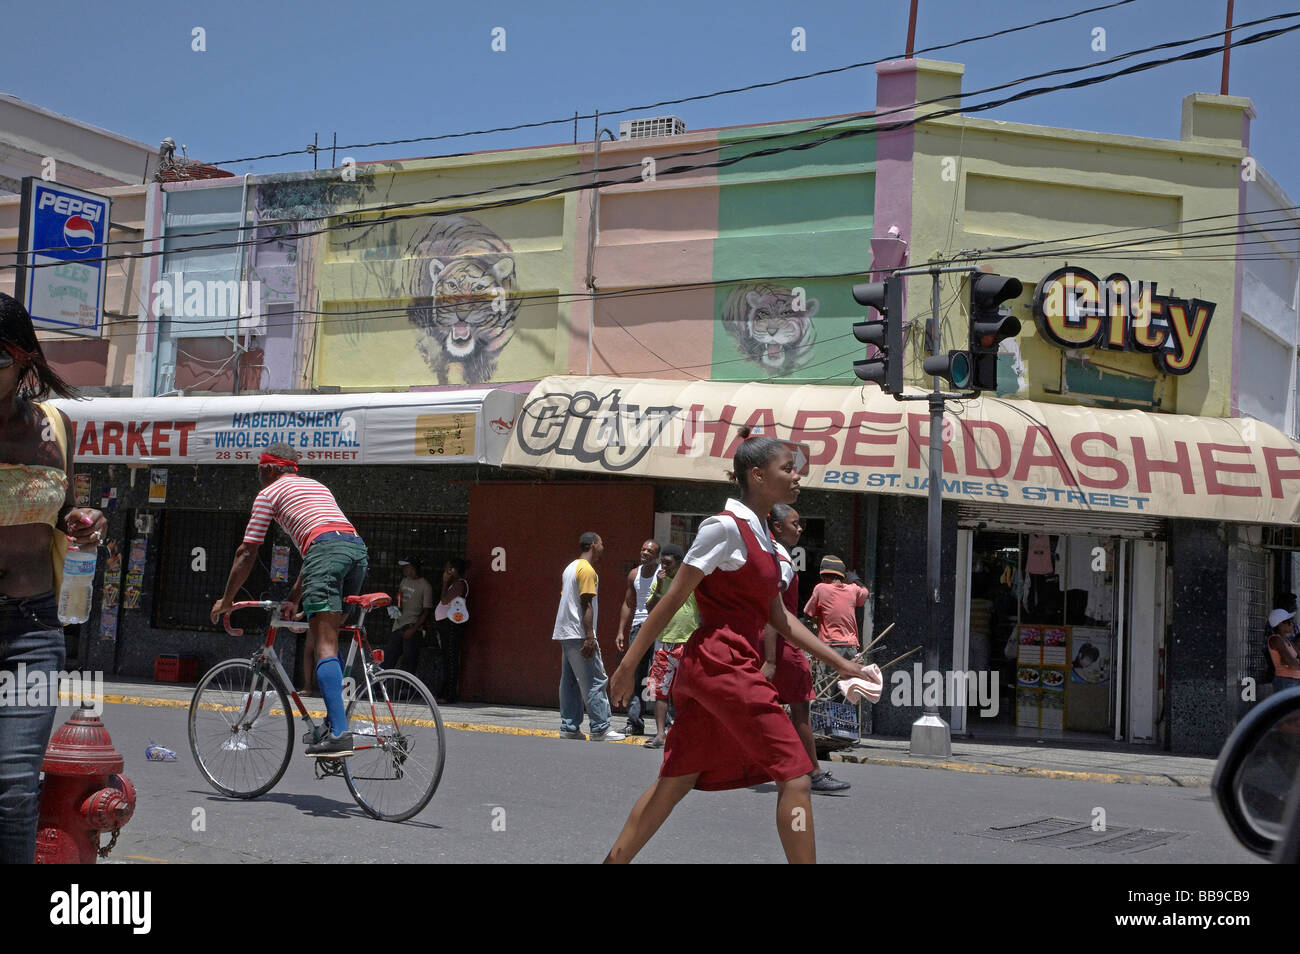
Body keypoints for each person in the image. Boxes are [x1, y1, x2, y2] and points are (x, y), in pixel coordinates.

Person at [605, 431, 873, 864]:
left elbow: (781, 619)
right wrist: (626, 665)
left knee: (675, 781)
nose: (797, 475)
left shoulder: (764, 536)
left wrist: (843, 664)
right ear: (757, 474)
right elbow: (673, 599)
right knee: (797, 776)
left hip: (722, 669)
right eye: (787, 468)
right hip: (721, 665)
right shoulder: (724, 527)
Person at [0, 293, 107, 864]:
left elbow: (67, 510)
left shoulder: (55, 427)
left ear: (23, 360)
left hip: (32, 630)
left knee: (15, 791)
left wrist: (84, 523)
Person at [210, 443, 367, 759]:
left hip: (326, 553)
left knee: (324, 643)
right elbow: (317, 550)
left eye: (259, 469)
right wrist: (294, 598)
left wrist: (226, 600)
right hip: (355, 550)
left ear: (268, 469)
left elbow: (247, 552)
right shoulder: (316, 486)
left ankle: (339, 733)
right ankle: (332, 720)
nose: (259, 475)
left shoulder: (269, 494)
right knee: (333, 637)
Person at [765, 504, 849, 794]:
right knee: (800, 709)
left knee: (765, 707)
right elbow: (773, 609)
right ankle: (812, 772)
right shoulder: (782, 561)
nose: (800, 529)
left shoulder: (769, 553)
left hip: (773, 643)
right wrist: (772, 659)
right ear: (777, 527)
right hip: (781, 645)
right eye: (795, 524)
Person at [553, 532, 625, 742]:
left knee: (570, 682)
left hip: (565, 631)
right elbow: (586, 603)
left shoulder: (570, 568)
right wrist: (589, 636)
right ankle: (600, 728)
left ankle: (569, 727)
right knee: (595, 679)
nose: (603, 547)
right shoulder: (586, 569)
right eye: (601, 543)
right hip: (579, 633)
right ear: (593, 545)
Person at [641, 544, 696, 749]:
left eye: (668, 563)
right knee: (658, 691)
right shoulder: (660, 580)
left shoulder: (690, 581)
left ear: (679, 564)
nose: (664, 566)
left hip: (687, 642)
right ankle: (660, 734)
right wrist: (659, 586)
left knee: (685, 692)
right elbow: (649, 608)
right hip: (663, 642)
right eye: (662, 562)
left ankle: (683, 734)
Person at [804, 556, 869, 693]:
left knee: (825, 693)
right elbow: (865, 591)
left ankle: (824, 714)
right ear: (842, 576)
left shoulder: (821, 589)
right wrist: (854, 579)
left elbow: (808, 615)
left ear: (824, 576)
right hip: (850, 648)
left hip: (829, 648)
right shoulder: (853, 589)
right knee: (850, 692)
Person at [616, 539, 661, 735]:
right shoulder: (634, 574)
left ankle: (667, 723)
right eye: (643, 549)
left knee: (661, 673)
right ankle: (634, 722)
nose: (645, 553)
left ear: (657, 555)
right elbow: (628, 603)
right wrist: (620, 631)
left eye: (650, 551)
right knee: (635, 674)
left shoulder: (662, 574)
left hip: (658, 627)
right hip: (638, 627)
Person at [389, 557, 433, 675]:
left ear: (413, 568)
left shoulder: (425, 586)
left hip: (412, 628)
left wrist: (413, 629)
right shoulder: (404, 581)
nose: (403, 569)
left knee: (408, 663)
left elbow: (426, 611)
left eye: (406, 566)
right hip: (398, 625)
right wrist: (397, 607)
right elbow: (400, 597)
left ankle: (405, 691)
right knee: (389, 659)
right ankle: (378, 689)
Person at [434, 557, 469, 702]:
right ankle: (444, 691)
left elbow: (444, 600)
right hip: (445, 623)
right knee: (447, 658)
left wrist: (444, 582)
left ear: (454, 570)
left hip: (452, 624)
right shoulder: (454, 584)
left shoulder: (459, 584)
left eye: (448, 568)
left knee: (451, 658)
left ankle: (450, 694)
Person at [1267, 608, 1300, 693]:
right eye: (1289, 621)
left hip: (1294, 681)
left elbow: (1297, 656)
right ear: (1281, 624)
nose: (1292, 624)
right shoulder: (1276, 640)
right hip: (1286, 682)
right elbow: (1291, 663)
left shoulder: (1287, 641)